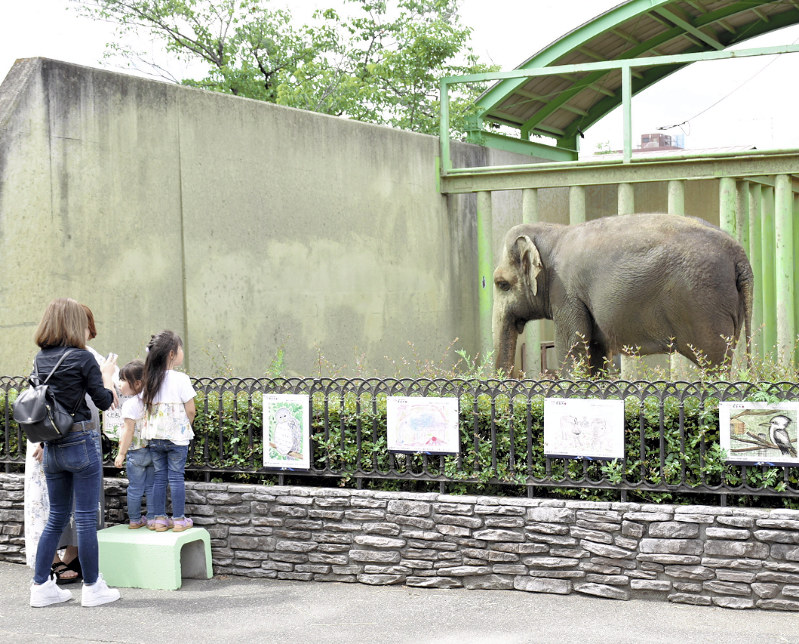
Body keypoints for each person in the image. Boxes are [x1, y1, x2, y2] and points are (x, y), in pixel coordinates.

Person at [28, 298, 121, 608]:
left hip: (52, 445)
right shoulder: (82, 358)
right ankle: (93, 587)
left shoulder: (40, 359)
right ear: (72, 323)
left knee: (55, 517)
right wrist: (107, 376)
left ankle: (41, 586)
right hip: (80, 441)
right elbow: (105, 401)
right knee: (84, 518)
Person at [140, 330, 196, 532]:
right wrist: (186, 426)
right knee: (176, 477)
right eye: (180, 349)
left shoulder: (149, 379)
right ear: (172, 354)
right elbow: (190, 409)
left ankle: (159, 519)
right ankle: (179, 520)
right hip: (177, 438)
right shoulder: (181, 379)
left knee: (159, 477)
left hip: (155, 437)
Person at [114, 360, 154, 529]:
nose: (120, 384)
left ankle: (135, 520)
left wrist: (121, 453)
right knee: (152, 487)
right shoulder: (152, 400)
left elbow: (128, 431)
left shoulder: (130, 405)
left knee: (135, 488)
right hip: (153, 451)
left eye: (123, 380)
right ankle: (153, 519)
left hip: (135, 453)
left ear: (137, 383)